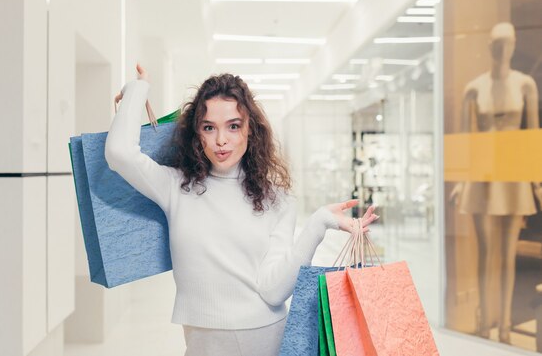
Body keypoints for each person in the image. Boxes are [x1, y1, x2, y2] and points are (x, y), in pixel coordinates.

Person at [106, 64, 378, 356]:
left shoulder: (278, 199)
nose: (221, 140)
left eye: (233, 126)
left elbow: (273, 291)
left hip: (267, 336)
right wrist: (138, 90)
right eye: (209, 127)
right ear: (197, 134)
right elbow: (119, 152)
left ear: (251, 130)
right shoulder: (176, 187)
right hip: (202, 340)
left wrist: (318, 224)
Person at [450, 22, 542, 344]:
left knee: (507, 254)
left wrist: (536, 182)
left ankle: (503, 326)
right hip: (482, 176)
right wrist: (461, 180)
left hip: (513, 176)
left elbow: (531, 136)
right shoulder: (474, 88)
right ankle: (483, 324)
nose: (503, 50)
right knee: (485, 253)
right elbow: (464, 140)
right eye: (497, 44)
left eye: (508, 43)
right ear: (489, 47)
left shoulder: (525, 84)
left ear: (514, 46)